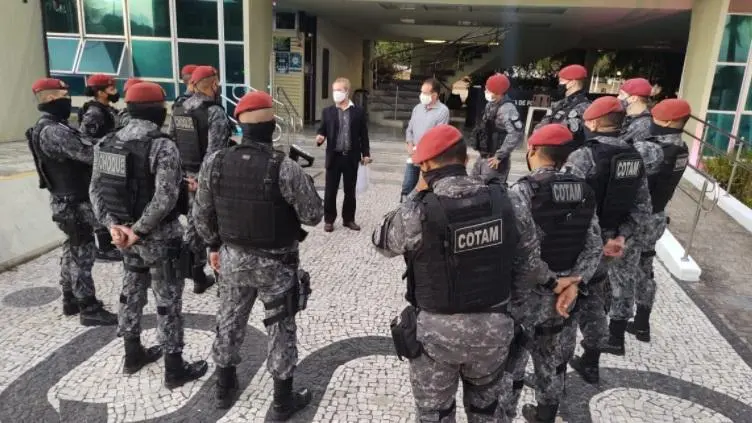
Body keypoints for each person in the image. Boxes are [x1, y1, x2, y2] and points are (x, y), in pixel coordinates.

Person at [372, 124, 580, 423]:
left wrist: (416, 192)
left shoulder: (417, 212)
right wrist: (548, 286)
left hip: (436, 336)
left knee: (435, 414)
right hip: (494, 331)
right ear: (466, 160)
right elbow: (529, 264)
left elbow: (381, 241)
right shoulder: (509, 201)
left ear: (424, 166)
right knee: (485, 411)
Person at [192, 91, 323, 416]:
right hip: (276, 266)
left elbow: (200, 215)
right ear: (271, 126)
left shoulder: (214, 162)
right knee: (280, 328)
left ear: (240, 127)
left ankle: (224, 388)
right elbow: (312, 215)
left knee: (229, 320)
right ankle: (282, 400)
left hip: (232, 260)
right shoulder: (285, 168)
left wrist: (212, 246)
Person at [90, 81, 208, 385]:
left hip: (124, 238)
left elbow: (96, 192)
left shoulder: (107, 143)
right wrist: (139, 231)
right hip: (159, 239)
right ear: (158, 110)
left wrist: (114, 227)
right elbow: (165, 198)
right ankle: (174, 368)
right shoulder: (161, 145)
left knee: (130, 293)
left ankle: (132, 354)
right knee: (167, 302)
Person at [502, 124, 602, 422]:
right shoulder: (585, 190)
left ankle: (505, 415)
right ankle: (546, 415)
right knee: (552, 360)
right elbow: (594, 245)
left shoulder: (522, 191)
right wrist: (574, 283)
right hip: (563, 300)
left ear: (532, 150)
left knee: (512, 364)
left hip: (524, 298)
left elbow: (519, 254)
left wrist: (553, 281)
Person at [563, 96, 651, 383]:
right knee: (595, 299)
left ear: (594, 122)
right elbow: (642, 206)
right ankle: (591, 361)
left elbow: (565, 205)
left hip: (580, 245)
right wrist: (621, 237)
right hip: (612, 243)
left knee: (566, 300)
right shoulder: (634, 157)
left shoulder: (583, 156)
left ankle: (555, 370)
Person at [26, 77, 118, 326]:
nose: (67, 100)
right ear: (49, 98)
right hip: (73, 203)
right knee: (82, 253)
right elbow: (90, 154)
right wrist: (122, 157)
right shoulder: (53, 131)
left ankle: (70, 298)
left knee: (73, 247)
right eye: (63, 95)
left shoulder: (54, 125)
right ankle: (88, 307)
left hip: (67, 200)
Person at [626, 99, 691, 342]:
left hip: (638, 218)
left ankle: (615, 326)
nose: (651, 121)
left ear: (668, 121)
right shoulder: (680, 147)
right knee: (645, 268)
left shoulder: (652, 149)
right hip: (657, 216)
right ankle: (642, 323)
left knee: (624, 270)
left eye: (655, 118)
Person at [171, 65, 232, 293]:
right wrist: (203, 181)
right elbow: (214, 152)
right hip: (207, 180)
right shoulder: (214, 112)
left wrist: (183, 177)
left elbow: (172, 144)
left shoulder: (179, 108)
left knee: (194, 225)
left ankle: (196, 276)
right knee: (217, 228)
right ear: (214, 84)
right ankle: (222, 280)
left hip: (187, 178)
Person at [316, 77, 371, 232]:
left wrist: (366, 153)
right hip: (334, 157)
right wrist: (320, 138)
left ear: (347, 91)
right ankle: (329, 220)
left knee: (350, 191)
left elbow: (363, 135)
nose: (336, 93)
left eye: (339, 90)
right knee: (330, 190)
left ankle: (349, 219)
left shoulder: (358, 112)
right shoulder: (328, 112)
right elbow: (322, 130)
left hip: (351, 157)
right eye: (334, 90)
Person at [401, 78, 450, 202]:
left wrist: (423, 151)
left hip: (430, 158)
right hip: (414, 155)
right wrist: (409, 143)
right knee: (407, 186)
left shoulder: (443, 111)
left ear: (435, 95)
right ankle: (404, 208)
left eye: (425, 93)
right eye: (421, 92)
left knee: (427, 188)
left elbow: (439, 136)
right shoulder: (418, 108)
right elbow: (409, 129)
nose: (421, 95)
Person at [470, 73, 524, 183]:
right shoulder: (491, 104)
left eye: (489, 89)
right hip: (484, 156)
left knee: (490, 189)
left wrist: (499, 156)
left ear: (498, 92)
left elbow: (515, 134)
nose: (486, 91)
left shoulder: (507, 109)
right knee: (472, 184)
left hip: (495, 160)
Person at [535, 64, 592, 149]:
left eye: (561, 81)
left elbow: (566, 132)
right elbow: (542, 124)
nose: (559, 84)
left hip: (568, 152)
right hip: (548, 149)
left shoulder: (584, 106)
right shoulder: (558, 104)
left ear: (572, 82)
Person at [78, 74, 120, 139]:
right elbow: (84, 138)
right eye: (112, 89)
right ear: (101, 93)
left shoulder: (106, 108)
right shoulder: (94, 113)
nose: (116, 91)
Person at [618, 78, 653, 142]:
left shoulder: (644, 124)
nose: (618, 97)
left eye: (621, 94)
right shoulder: (628, 117)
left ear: (634, 98)